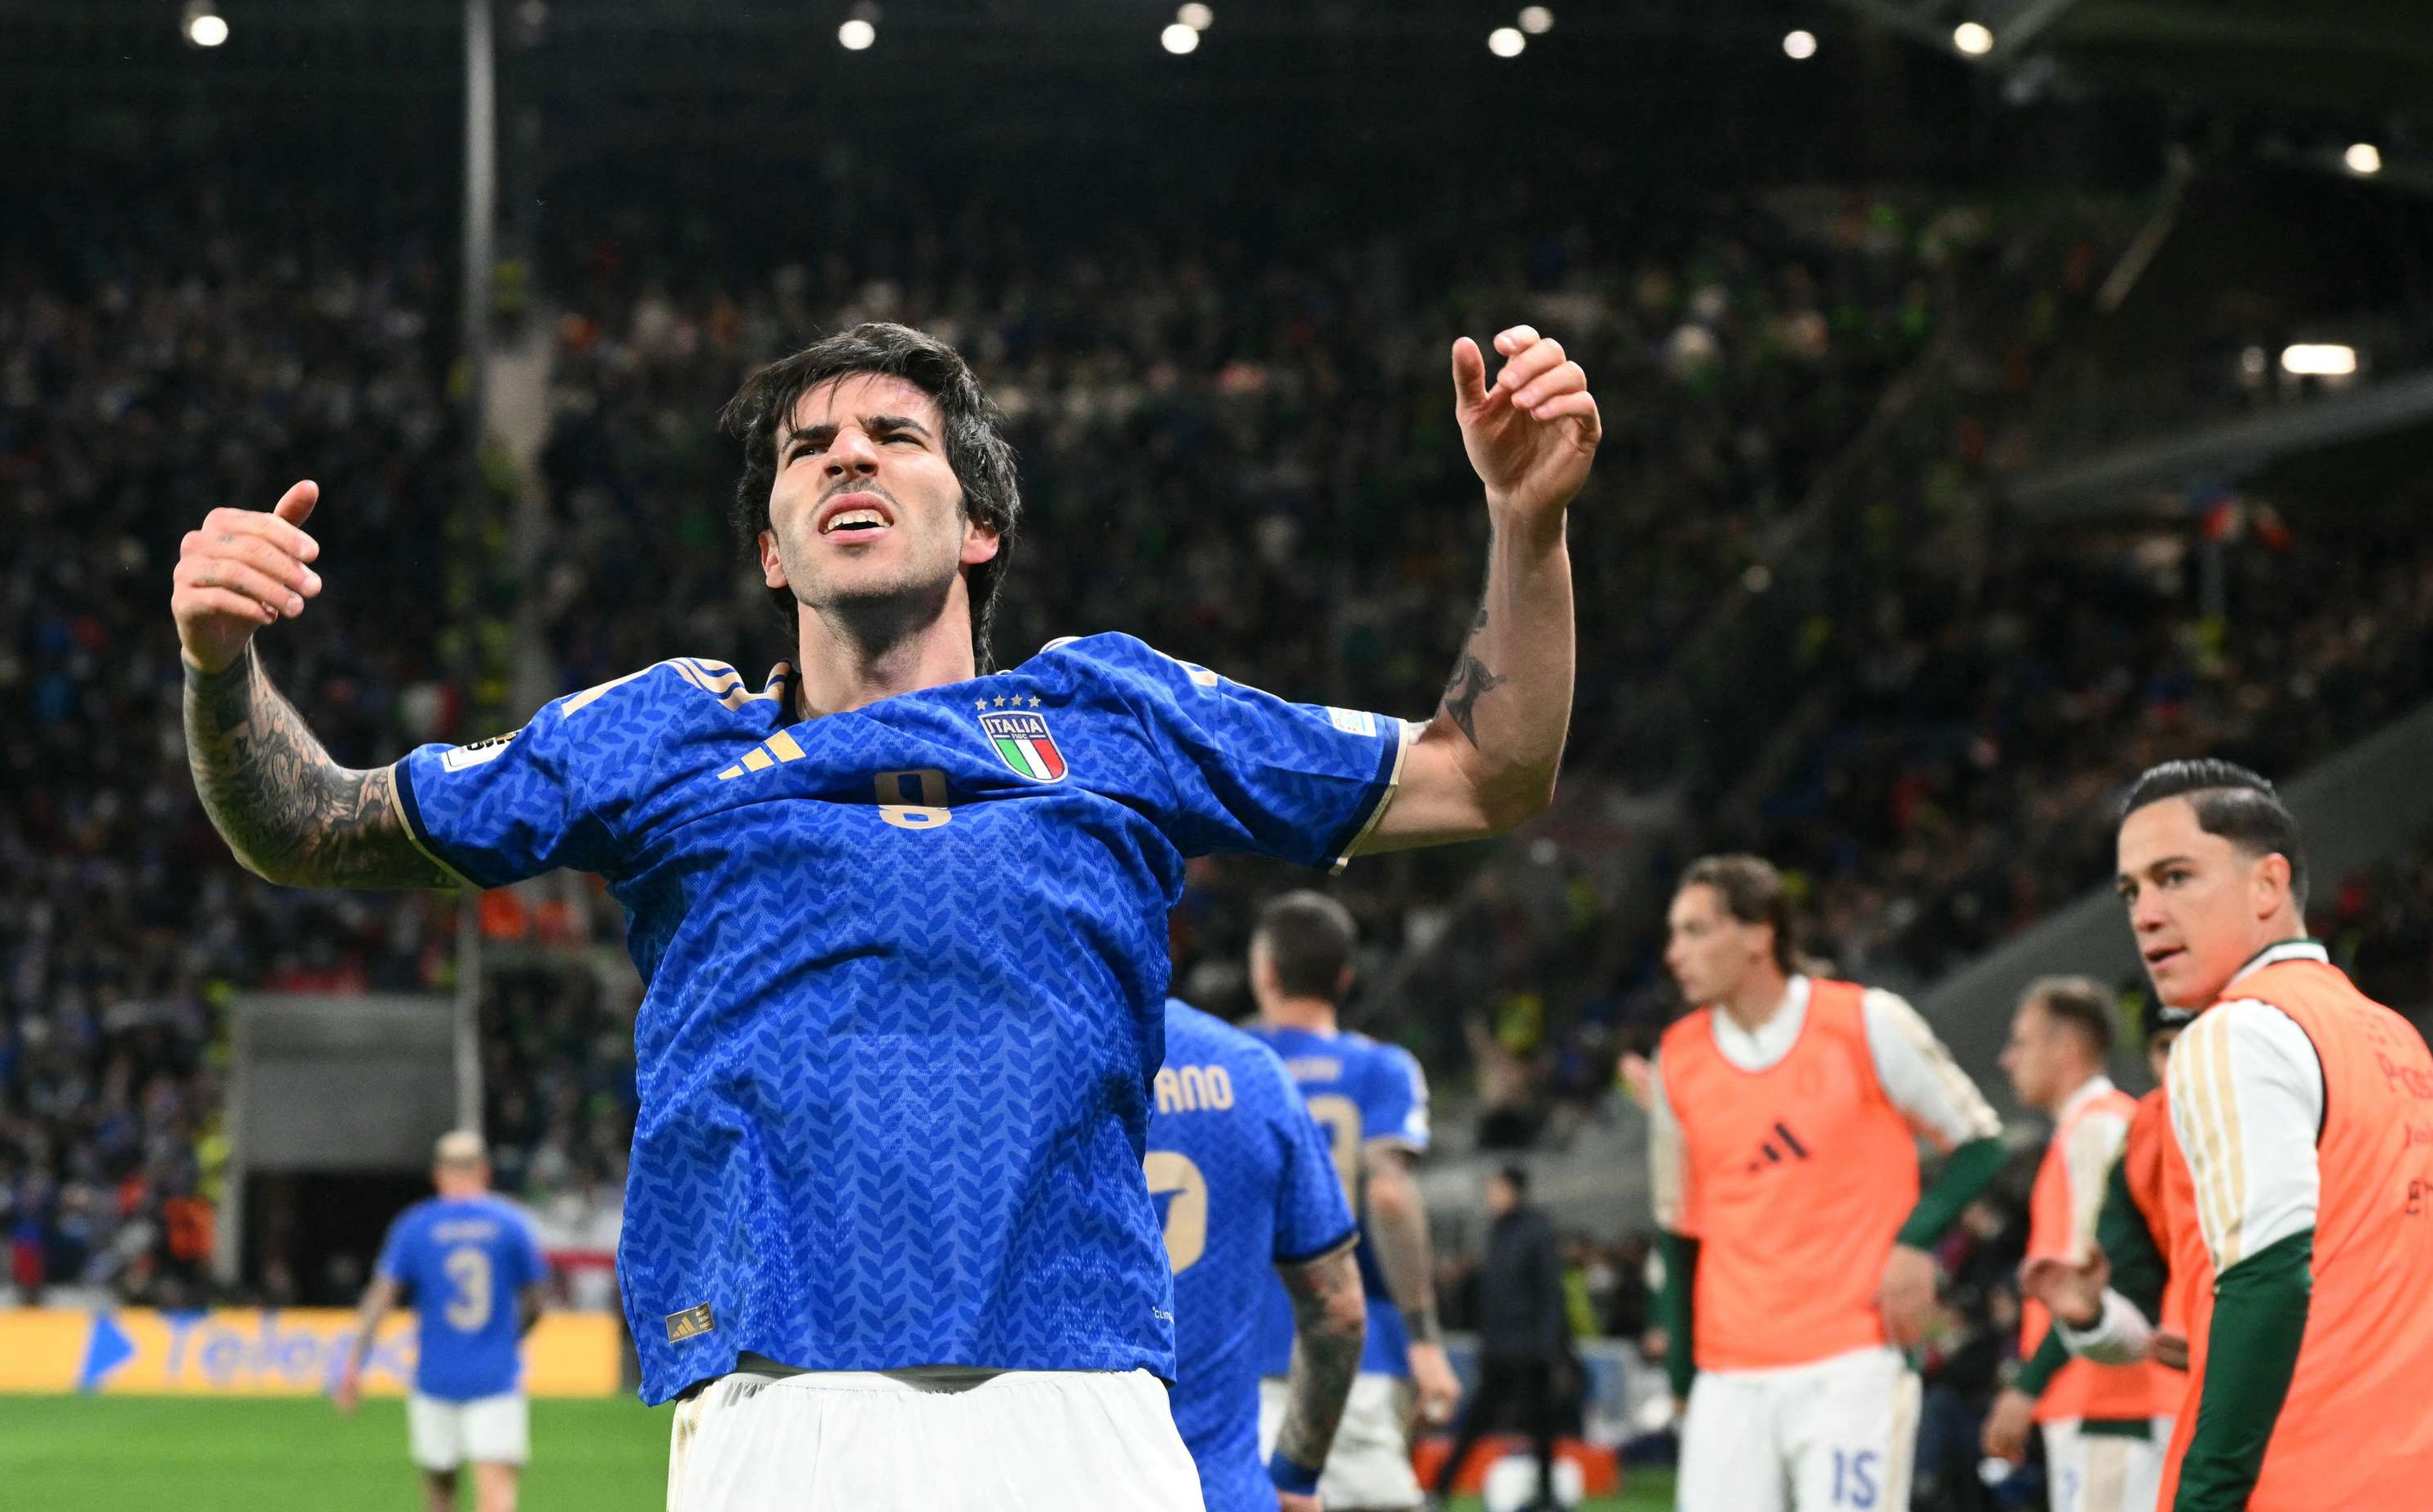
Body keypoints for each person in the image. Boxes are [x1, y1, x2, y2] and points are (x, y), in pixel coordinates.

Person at [171, 320, 1603, 1510]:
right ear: (773, 557)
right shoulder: (663, 737)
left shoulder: (1114, 714)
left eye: (893, 436)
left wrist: (1525, 527)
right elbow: (310, 827)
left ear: (980, 527)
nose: (846, 455)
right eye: (807, 451)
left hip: (1085, 1414)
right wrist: (221, 669)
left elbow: (1487, 772)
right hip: (782, 1415)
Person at [2023, 761, 2433, 1510]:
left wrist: (2205, 1497)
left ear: (2269, 885)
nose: (2145, 913)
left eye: (2175, 877)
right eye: (2132, 891)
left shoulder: (2238, 1031)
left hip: (2318, 1481)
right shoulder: (2391, 1038)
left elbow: (2266, 1282)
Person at [1645, 853, 2007, 1512]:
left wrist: (1916, 1243)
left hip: (1854, 1361)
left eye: (1695, 930)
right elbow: (1679, 1230)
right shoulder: (1675, 1059)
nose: (1674, 954)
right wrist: (1682, 1379)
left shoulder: (1867, 1022)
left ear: (1759, 934)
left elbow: (1980, 1143)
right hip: (1730, 1372)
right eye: (1674, 934)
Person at [1246, 891, 1463, 1512]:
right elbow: (1389, 1195)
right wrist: (1425, 1339)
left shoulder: (1231, 1064)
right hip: (1357, 1348)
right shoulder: (1381, 1068)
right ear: (1344, 978)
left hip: (1245, 1345)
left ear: (1266, 972)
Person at [1149, 997, 1370, 1512]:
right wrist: (1297, 1475)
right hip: (1222, 1490)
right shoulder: (1250, 1069)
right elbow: (1340, 1312)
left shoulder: (1012, 1062)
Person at [1981, 978, 2178, 1512]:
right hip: (2103, 1400)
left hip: (2115, 1402)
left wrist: (2028, 1385)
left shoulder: (2100, 1129)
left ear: (2067, 1047)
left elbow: (2094, 1282)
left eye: (2021, 1042)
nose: (2007, 1059)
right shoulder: (2086, 1130)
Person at [337, 1131, 552, 1512]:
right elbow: (537, 1302)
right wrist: (509, 1337)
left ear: (438, 1174)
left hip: (435, 1377)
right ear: (484, 1171)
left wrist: (355, 1361)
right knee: (496, 1491)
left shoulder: (415, 1226)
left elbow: (381, 1299)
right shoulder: (510, 1223)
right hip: (495, 1377)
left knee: (439, 1493)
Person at [1433, 1165, 1571, 1510]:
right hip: (1498, 1347)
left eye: (1496, 1189)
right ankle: (1442, 1486)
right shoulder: (1497, 1231)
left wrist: (1549, 1347)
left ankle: (1545, 1493)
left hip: (1528, 1348)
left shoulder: (1536, 1230)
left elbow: (1549, 1292)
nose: (1491, 1196)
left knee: (1539, 1424)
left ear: (1513, 1190)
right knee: (1479, 1418)